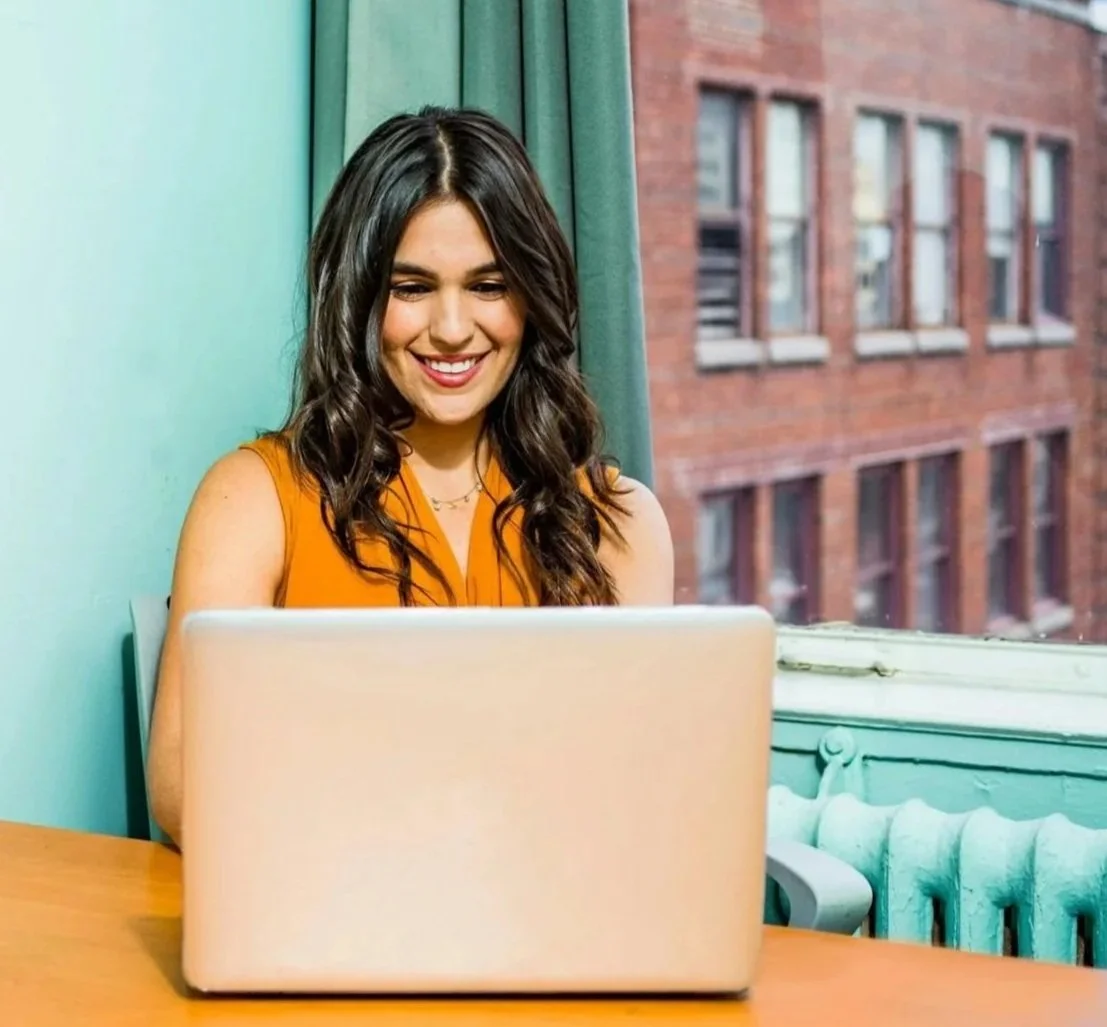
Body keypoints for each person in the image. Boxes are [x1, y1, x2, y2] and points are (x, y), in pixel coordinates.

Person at [147, 106, 674, 846]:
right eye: (411, 287)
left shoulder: (619, 521)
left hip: (552, 931)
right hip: (326, 918)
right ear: (359, 298)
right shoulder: (251, 500)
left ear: (532, 296)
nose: (453, 328)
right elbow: (182, 794)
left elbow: (637, 792)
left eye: (489, 285)